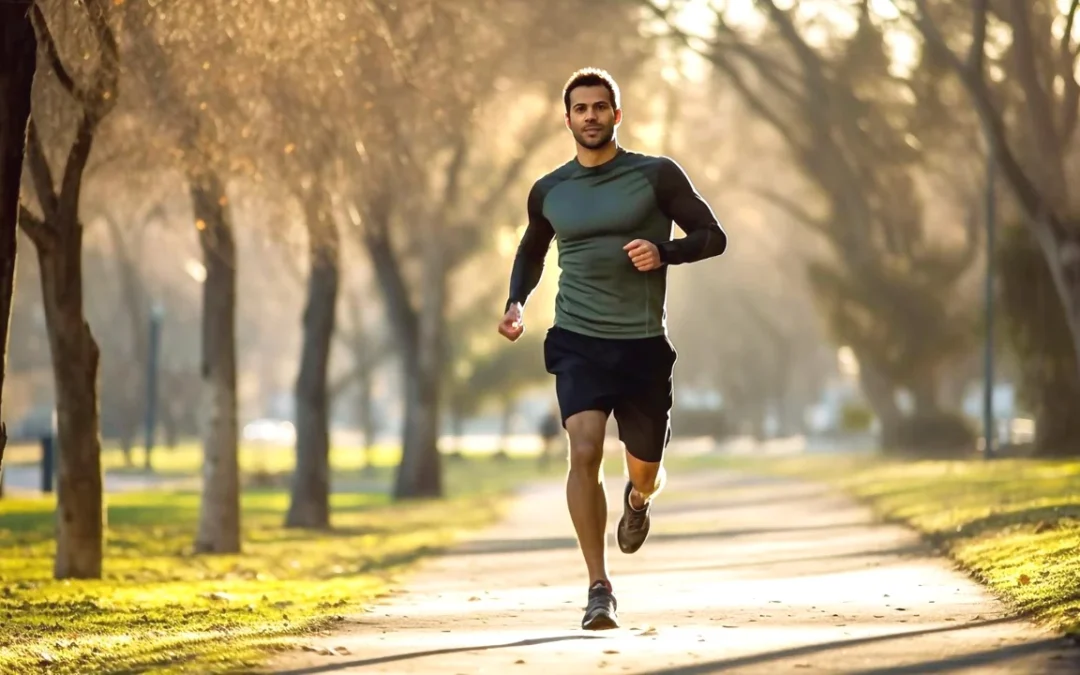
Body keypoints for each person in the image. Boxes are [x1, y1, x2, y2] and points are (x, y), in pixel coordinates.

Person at [496, 67, 728, 630]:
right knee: (583, 450)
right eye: (581, 108)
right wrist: (516, 302)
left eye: (601, 107)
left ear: (616, 115)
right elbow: (532, 251)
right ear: (568, 117)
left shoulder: (655, 176)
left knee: (644, 466)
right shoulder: (550, 189)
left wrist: (664, 252)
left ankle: (640, 501)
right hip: (578, 338)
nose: (591, 116)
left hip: (642, 344)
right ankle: (599, 587)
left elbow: (712, 236)